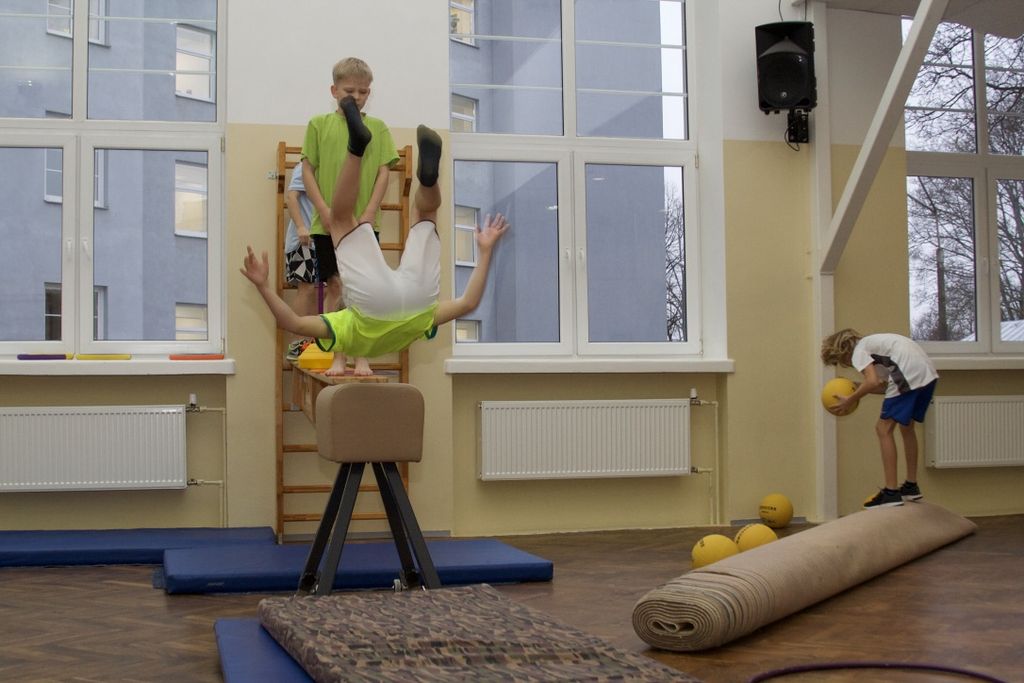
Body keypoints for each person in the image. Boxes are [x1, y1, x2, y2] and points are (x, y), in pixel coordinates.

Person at [241, 116, 509, 366]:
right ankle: (356, 149)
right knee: (341, 220)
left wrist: (485, 251)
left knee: (425, 214)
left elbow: (468, 303)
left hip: (419, 301)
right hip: (373, 300)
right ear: (345, 302)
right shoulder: (346, 326)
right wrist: (262, 285)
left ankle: (428, 182)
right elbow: (293, 323)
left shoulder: (422, 321)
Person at [301, 57, 398, 376]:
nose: (356, 97)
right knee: (335, 286)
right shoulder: (318, 124)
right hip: (326, 224)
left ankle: (361, 356)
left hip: (363, 225)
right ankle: (338, 355)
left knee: (363, 289)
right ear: (334, 91)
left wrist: (369, 211)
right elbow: (308, 171)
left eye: (363, 91)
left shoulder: (378, 127)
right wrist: (323, 210)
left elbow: (384, 172)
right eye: (349, 91)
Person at [820, 328, 939, 509]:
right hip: (926, 372)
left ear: (843, 352)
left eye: (840, 362)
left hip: (909, 370)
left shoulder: (859, 350)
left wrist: (850, 399)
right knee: (906, 426)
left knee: (883, 429)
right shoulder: (876, 350)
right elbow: (884, 387)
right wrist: (856, 387)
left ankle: (891, 492)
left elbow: (873, 382)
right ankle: (911, 486)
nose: (846, 365)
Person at [282, 163, 318, 362]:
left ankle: (313, 341)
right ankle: (298, 343)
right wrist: (301, 227)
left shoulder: (333, 168)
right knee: (307, 288)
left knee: (326, 291)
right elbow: (291, 197)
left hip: (322, 240)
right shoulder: (305, 166)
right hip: (303, 241)